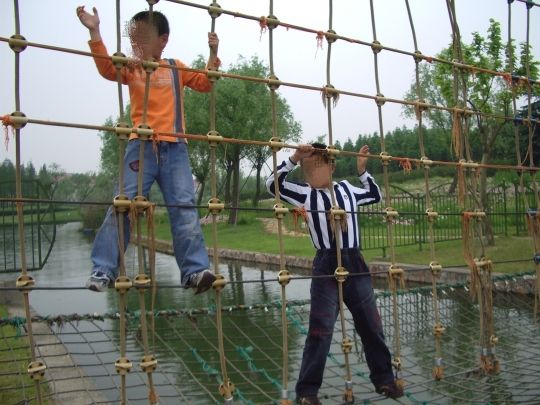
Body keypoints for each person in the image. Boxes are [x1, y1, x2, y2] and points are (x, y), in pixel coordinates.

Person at [76, 6, 218, 294]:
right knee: (123, 206)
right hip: (139, 146)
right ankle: (103, 270)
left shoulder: (176, 67)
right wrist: (94, 31)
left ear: (162, 40)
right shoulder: (133, 67)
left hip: (175, 147)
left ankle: (194, 271)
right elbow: (106, 68)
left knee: (184, 208)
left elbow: (205, 82)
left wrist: (213, 53)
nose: (136, 43)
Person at [266, 143, 403, 404]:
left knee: (371, 326)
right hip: (325, 266)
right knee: (320, 329)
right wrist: (295, 158)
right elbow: (273, 185)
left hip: (355, 262)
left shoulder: (347, 189)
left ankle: (384, 379)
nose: (311, 172)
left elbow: (375, 195)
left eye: (316, 166)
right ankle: (307, 392)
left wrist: (362, 169)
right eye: (308, 168)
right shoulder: (305, 194)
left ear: (331, 166)